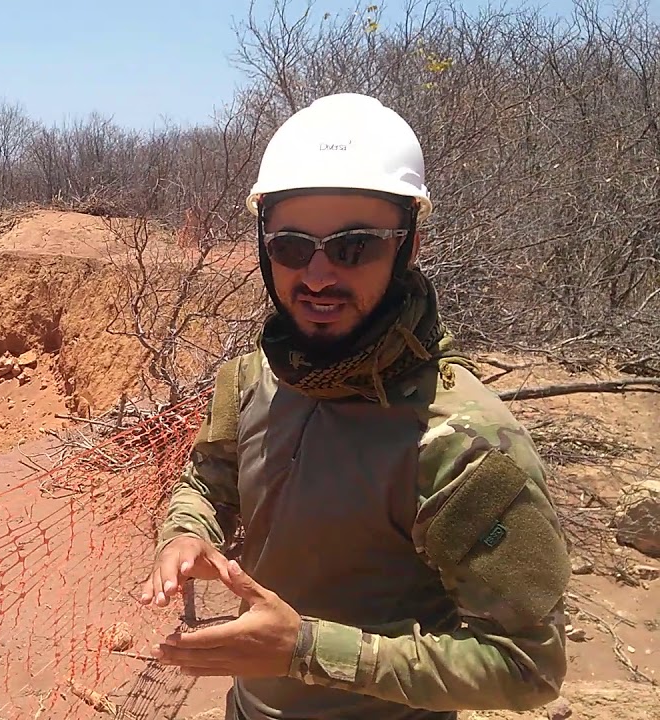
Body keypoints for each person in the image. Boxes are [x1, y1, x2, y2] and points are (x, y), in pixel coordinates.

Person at [141, 94, 570, 720]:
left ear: (409, 245)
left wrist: (305, 651)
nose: (317, 276)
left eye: (353, 246)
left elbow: (527, 666)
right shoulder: (254, 378)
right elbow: (208, 481)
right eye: (291, 246)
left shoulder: (459, 442)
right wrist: (186, 533)